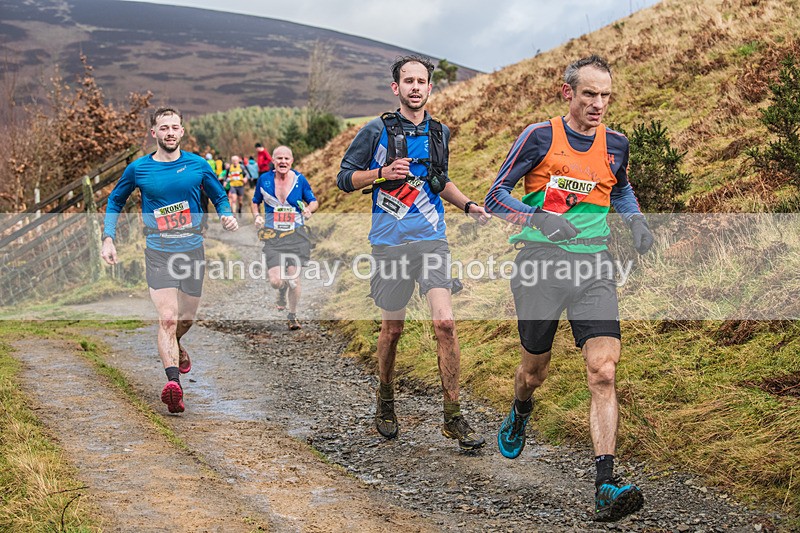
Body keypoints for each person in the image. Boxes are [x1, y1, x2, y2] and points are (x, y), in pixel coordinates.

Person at [483, 55, 653, 522]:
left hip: (594, 267)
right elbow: (494, 195)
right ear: (568, 94)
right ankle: (521, 407)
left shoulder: (616, 143)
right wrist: (538, 218)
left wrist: (635, 221)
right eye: (589, 95)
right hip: (539, 264)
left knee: (603, 370)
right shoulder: (539, 137)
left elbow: (618, 187)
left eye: (606, 96)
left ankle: (605, 484)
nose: (599, 104)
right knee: (534, 370)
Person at [337, 55, 492, 451]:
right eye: (408, 81)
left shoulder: (440, 132)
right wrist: (379, 175)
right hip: (389, 244)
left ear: (429, 88)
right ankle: (385, 398)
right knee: (393, 329)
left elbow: (439, 180)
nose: (415, 87)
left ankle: (453, 416)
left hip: (431, 240)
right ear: (396, 88)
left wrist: (469, 206)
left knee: (445, 323)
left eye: (421, 81)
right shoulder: (375, 131)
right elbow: (343, 179)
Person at [101, 106, 238, 414]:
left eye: (175, 127)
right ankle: (173, 384)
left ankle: (176, 346)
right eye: (164, 128)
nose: (170, 132)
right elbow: (115, 200)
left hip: (191, 249)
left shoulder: (198, 165)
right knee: (167, 318)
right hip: (158, 249)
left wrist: (226, 214)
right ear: (154, 133)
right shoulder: (139, 169)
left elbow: (219, 196)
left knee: (186, 318)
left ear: (182, 131)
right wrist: (108, 237)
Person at [251, 145, 318, 330]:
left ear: (291, 161)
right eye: (279, 158)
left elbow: (313, 201)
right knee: (276, 281)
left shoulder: (299, 180)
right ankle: (281, 290)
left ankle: (292, 316)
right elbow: (255, 202)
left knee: (294, 278)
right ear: (273, 161)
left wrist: (308, 210)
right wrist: (257, 216)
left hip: (296, 235)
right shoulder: (264, 180)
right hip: (273, 237)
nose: (283, 162)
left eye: (286, 158)